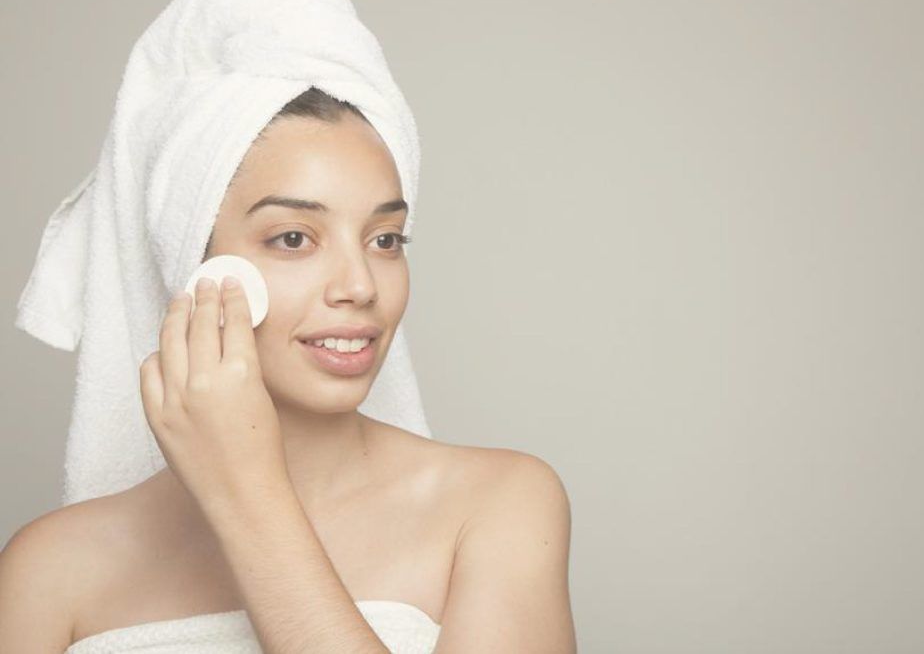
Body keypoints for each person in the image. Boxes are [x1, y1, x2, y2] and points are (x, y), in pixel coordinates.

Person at [0, 87, 577, 653]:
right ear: (190, 265)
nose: (360, 286)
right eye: (294, 238)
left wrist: (247, 495)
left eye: (385, 239)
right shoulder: (49, 569)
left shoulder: (498, 505)